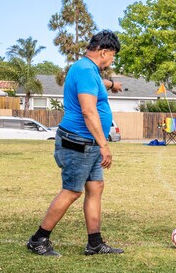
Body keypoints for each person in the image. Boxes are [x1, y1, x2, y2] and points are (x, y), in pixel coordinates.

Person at [27, 30, 124, 257]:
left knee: (95, 187)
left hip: (87, 143)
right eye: (112, 56)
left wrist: (112, 84)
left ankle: (95, 243)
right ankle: (38, 239)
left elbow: (99, 83)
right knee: (71, 191)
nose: (112, 61)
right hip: (78, 141)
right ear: (103, 52)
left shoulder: (87, 69)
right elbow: (89, 112)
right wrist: (104, 145)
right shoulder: (86, 71)